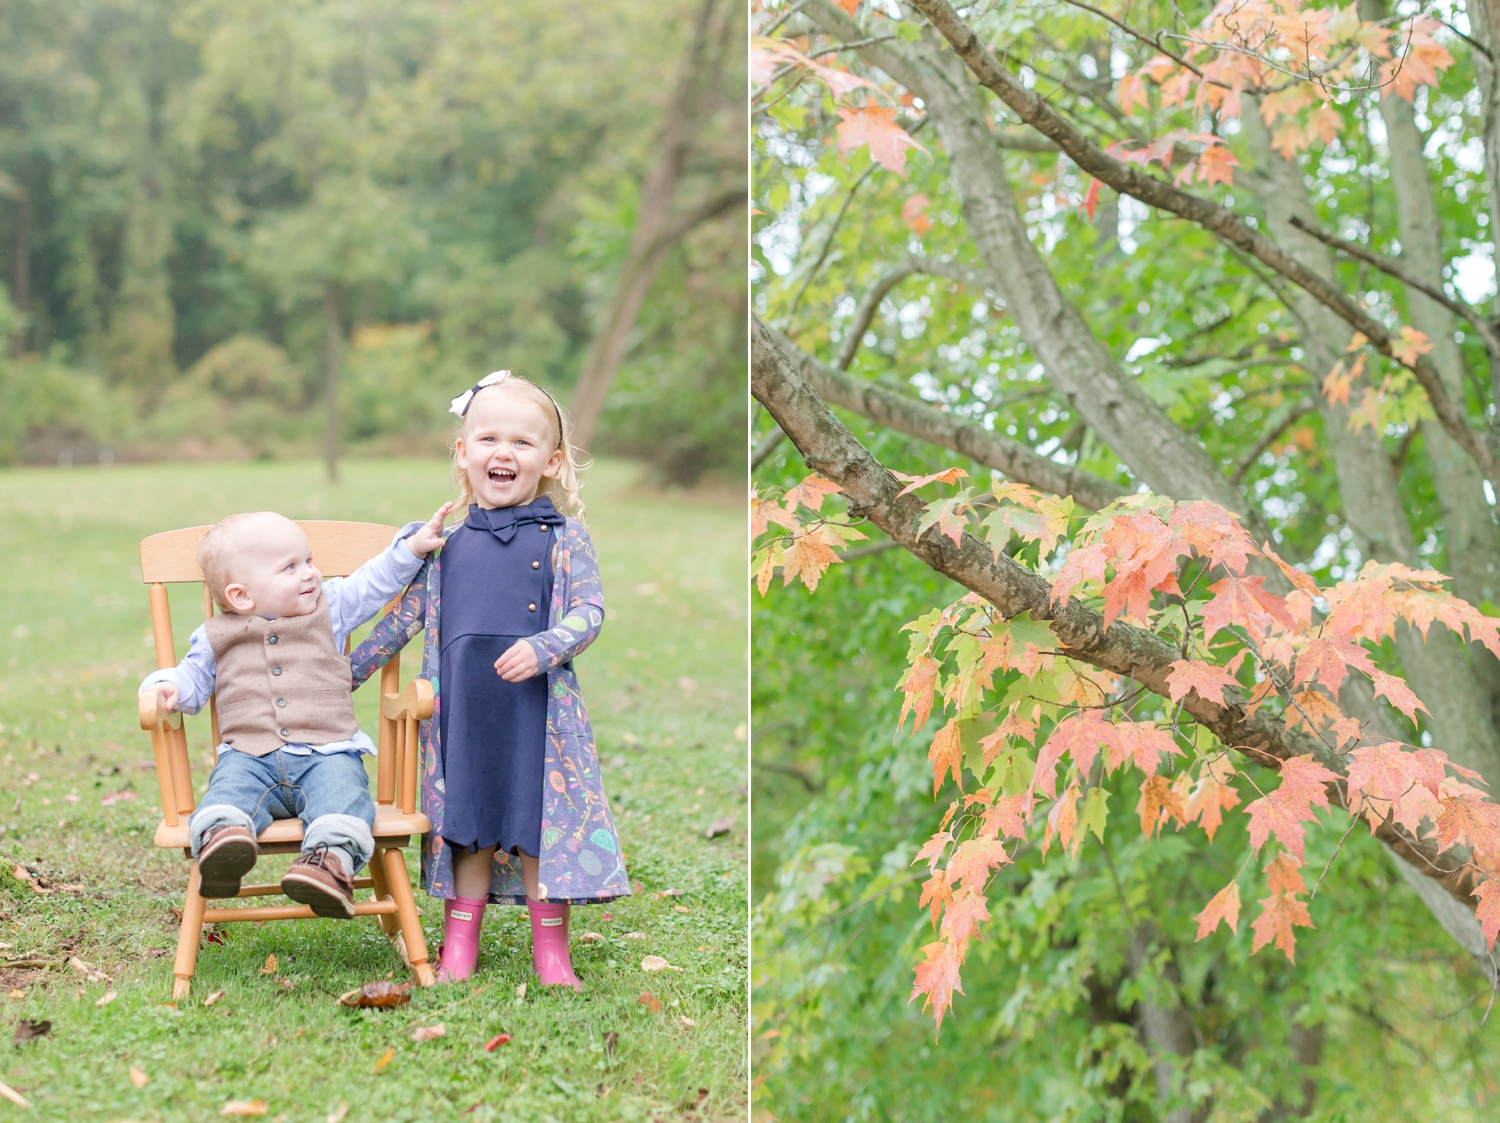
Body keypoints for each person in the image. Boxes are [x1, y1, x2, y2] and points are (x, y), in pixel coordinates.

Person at [350, 370, 629, 988]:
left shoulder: (563, 537)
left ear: (552, 461)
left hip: (535, 716)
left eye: (523, 443)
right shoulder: (445, 547)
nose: (503, 452)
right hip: (463, 717)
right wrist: (337, 677)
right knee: (466, 829)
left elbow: (590, 613)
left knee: (535, 826)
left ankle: (552, 955)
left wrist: (544, 647)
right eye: (488, 439)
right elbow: (401, 625)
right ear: (463, 452)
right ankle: (458, 950)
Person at [138, 506, 451, 917]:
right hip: (248, 758)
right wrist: (165, 687)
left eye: (309, 561)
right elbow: (191, 678)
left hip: (328, 753)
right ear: (241, 595)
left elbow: (371, 584)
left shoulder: (329, 608)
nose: (310, 574)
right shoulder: (215, 635)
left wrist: (411, 548)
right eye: (290, 567)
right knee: (227, 795)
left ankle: (329, 866)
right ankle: (223, 841)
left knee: (343, 799)